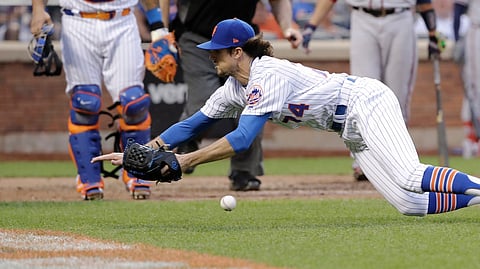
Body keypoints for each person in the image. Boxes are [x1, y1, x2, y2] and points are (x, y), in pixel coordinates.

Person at [93, 18, 480, 216]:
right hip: (348, 128)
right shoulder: (234, 88)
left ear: (238, 52)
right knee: (408, 204)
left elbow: (243, 139)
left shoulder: (267, 73)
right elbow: (193, 123)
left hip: (365, 101)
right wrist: (149, 148)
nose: (211, 56)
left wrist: (186, 160)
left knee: (410, 176)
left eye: (218, 52)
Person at [30, 0, 168, 200]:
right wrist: (37, 9)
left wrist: (157, 25)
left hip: (122, 19)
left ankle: (137, 172)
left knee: (134, 104)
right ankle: (89, 180)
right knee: (84, 103)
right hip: (78, 20)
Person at [162, 0, 302, 191]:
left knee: (252, 107)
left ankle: (243, 171)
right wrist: (161, 32)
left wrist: (286, 27)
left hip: (242, 41)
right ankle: (188, 143)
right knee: (203, 98)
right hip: (196, 36)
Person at [301, 0, 443, 181]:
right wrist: (311, 25)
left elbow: (424, 1)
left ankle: (398, 162)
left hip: (401, 18)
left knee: (398, 97)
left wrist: (432, 33)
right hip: (362, 18)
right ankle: (363, 163)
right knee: (362, 94)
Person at [453, 0, 480, 159]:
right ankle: (473, 138)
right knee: (474, 88)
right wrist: (457, 40)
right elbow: (458, 9)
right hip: (477, 30)